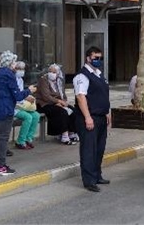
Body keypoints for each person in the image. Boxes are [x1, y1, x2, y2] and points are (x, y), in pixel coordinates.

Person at [0, 51, 36, 176]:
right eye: (13, 61)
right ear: (9, 62)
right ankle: (1, 165)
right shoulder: (8, 74)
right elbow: (18, 96)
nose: (15, 64)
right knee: (3, 138)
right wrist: (28, 90)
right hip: (5, 109)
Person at [73, 46, 111, 192]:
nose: (98, 61)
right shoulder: (82, 76)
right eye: (95, 58)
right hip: (89, 117)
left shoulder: (100, 74)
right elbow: (81, 97)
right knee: (89, 149)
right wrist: (88, 117)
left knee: (99, 149)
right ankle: (89, 180)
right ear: (88, 58)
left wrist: (107, 113)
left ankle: (97, 175)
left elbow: (103, 96)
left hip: (101, 116)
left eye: (100, 58)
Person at [35, 64, 79, 145]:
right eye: (50, 71)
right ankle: (64, 135)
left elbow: (63, 94)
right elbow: (46, 96)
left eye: (54, 72)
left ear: (58, 73)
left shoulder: (59, 80)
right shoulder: (43, 80)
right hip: (44, 103)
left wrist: (64, 102)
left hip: (57, 102)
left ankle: (71, 133)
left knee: (73, 110)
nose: (52, 73)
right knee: (62, 112)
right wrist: (58, 102)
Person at [13, 61, 40, 150]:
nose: (21, 71)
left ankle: (28, 138)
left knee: (36, 115)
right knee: (28, 117)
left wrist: (28, 96)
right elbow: (16, 95)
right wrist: (25, 97)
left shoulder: (20, 80)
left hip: (21, 105)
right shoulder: (12, 79)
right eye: (19, 69)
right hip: (14, 107)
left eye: (23, 69)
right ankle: (20, 141)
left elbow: (21, 93)